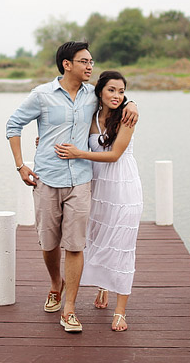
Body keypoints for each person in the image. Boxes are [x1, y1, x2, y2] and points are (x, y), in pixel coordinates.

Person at [6, 42, 138, 333]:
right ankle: (56, 285)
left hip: (80, 179)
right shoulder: (41, 95)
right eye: (84, 62)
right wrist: (20, 165)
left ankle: (69, 309)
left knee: (76, 245)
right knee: (49, 243)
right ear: (67, 64)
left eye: (92, 61)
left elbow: (116, 97)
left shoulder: (93, 94)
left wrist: (133, 104)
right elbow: (13, 125)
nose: (90, 66)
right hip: (46, 178)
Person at [53, 70, 143, 332]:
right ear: (100, 92)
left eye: (122, 91)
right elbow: (65, 134)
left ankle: (120, 311)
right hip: (97, 189)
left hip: (125, 190)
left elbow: (114, 155)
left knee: (122, 245)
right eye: (112, 90)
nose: (117, 95)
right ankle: (103, 287)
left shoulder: (127, 116)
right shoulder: (90, 117)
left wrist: (79, 153)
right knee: (97, 239)